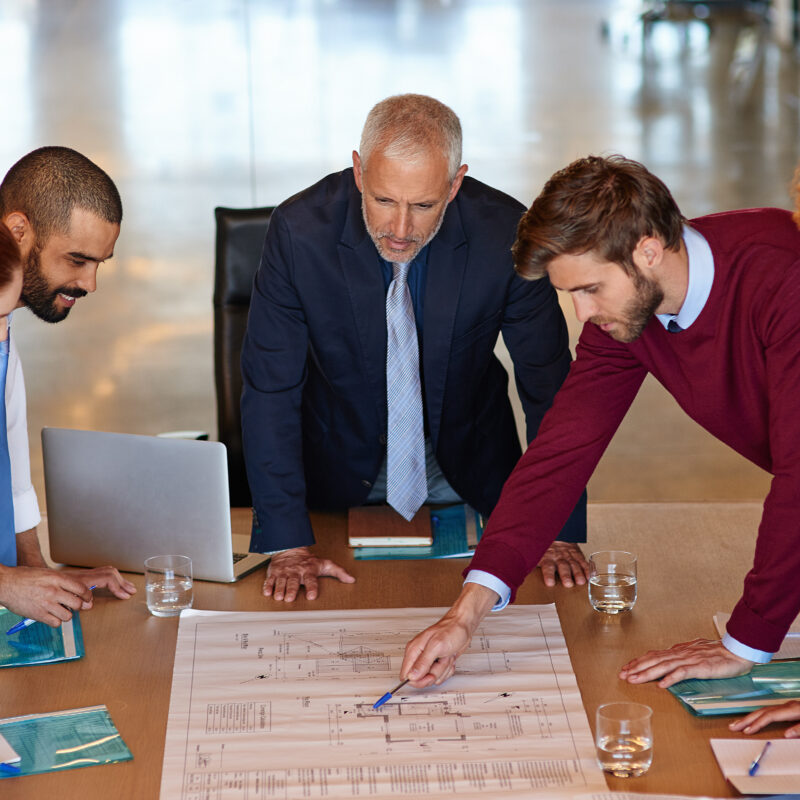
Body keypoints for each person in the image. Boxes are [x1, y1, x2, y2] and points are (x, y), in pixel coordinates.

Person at [401, 153, 800, 690]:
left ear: (649, 251)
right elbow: (559, 453)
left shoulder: (782, 278)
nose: (582, 315)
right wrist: (465, 615)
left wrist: (746, 640)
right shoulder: (629, 319)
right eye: (571, 294)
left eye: (590, 289)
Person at [241, 94, 587, 603]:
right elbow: (271, 387)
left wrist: (555, 524)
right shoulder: (299, 233)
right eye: (384, 200)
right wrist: (289, 543)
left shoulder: (505, 234)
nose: (400, 230)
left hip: (471, 479)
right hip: (336, 486)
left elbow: (550, 385)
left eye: (423, 206)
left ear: (455, 184)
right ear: (359, 172)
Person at [0, 146, 136, 626]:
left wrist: (40, 574)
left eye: (100, 262)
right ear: (19, 231)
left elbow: (10, 480)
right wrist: (6, 584)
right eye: (77, 259)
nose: (91, 283)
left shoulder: (4, 330)